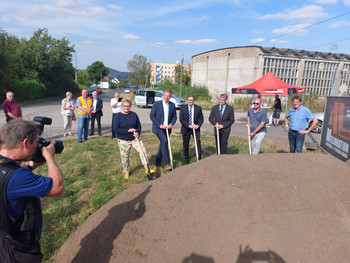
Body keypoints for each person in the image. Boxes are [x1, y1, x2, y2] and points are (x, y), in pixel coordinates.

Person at [0, 119, 64, 262]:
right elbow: (57, 187)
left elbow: (9, 174)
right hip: (17, 250)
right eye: (36, 144)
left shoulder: (6, 167)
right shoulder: (19, 178)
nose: (37, 147)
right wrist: (49, 157)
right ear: (25, 143)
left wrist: (31, 165)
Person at [113, 98, 150, 179]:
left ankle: (147, 170)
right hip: (123, 140)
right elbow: (115, 129)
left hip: (134, 138)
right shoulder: (118, 116)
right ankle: (126, 171)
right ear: (122, 106)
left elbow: (139, 126)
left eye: (128, 106)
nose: (127, 108)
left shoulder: (134, 115)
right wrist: (128, 130)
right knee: (125, 157)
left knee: (143, 152)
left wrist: (137, 132)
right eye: (125, 106)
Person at [150, 89, 177, 170]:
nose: (166, 97)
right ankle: (167, 163)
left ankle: (157, 164)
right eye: (165, 95)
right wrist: (159, 125)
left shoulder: (172, 105)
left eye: (168, 96)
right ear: (163, 95)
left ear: (170, 97)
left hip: (167, 129)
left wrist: (171, 124)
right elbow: (152, 116)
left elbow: (174, 117)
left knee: (162, 144)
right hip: (158, 128)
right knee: (165, 141)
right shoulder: (156, 104)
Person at [179, 94, 204, 163]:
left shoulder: (198, 108)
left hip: (195, 129)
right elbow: (181, 119)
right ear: (187, 100)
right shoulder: (183, 108)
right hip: (186, 128)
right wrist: (188, 125)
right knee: (186, 144)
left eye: (191, 100)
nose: (190, 101)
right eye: (189, 100)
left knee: (198, 142)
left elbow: (201, 119)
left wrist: (198, 125)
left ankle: (199, 158)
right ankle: (186, 159)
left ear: (194, 100)